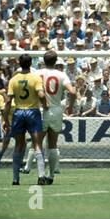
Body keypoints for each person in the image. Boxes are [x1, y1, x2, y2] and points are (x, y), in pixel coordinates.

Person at [3, 54, 50, 185]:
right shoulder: (35, 78)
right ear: (31, 64)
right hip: (32, 112)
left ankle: (15, 178)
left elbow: (8, 102)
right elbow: (41, 94)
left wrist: (5, 119)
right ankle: (41, 175)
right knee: (37, 144)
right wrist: (45, 104)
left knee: (18, 145)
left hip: (18, 113)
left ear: (19, 63)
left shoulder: (13, 80)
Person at [33, 50, 76, 184]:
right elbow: (73, 92)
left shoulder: (37, 73)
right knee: (53, 144)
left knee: (38, 143)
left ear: (43, 61)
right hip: (57, 109)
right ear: (56, 61)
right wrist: (69, 107)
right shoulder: (61, 75)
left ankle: (41, 174)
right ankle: (51, 175)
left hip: (41, 109)